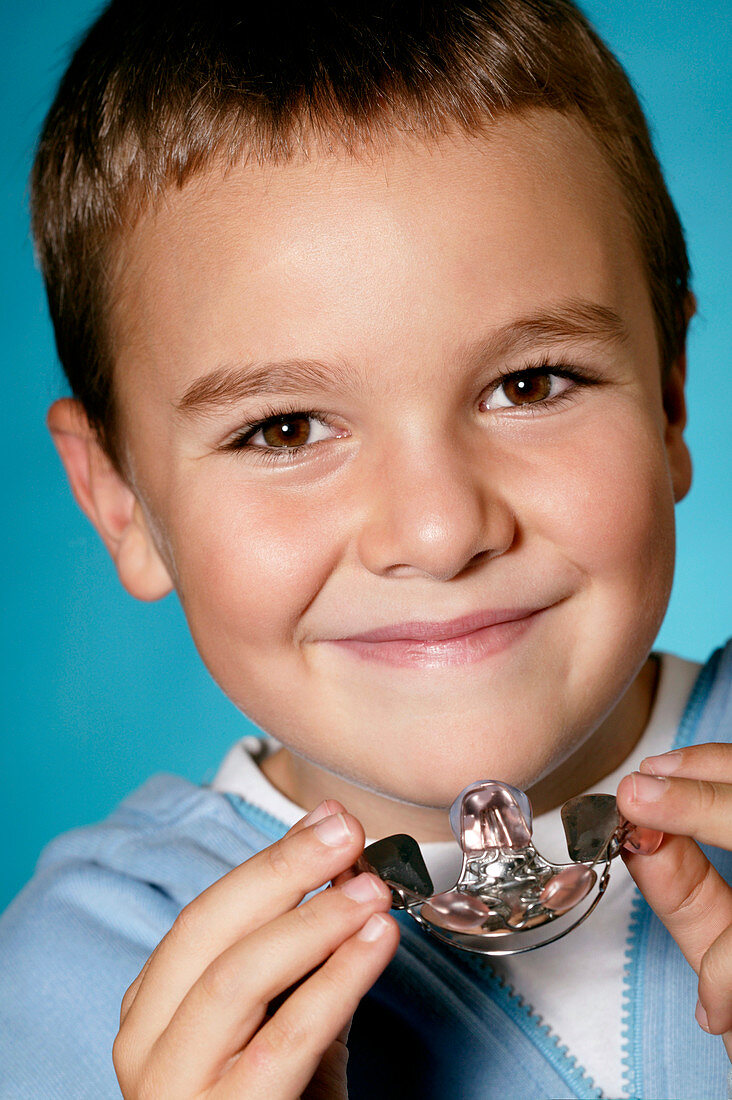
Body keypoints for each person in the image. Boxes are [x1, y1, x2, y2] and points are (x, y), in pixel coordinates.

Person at [1, 0, 730, 1096]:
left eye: (530, 383)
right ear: (117, 500)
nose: (439, 533)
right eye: (283, 428)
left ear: (671, 399)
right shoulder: (75, 980)